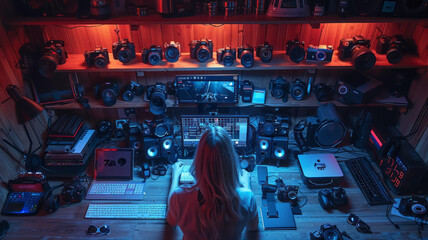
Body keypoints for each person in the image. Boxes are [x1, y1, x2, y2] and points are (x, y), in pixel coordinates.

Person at [167, 126, 259, 240]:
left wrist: (175, 176)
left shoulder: (178, 197)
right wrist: (246, 185)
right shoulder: (248, 197)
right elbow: (253, 228)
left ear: (198, 162)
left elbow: (171, 221)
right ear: (231, 162)